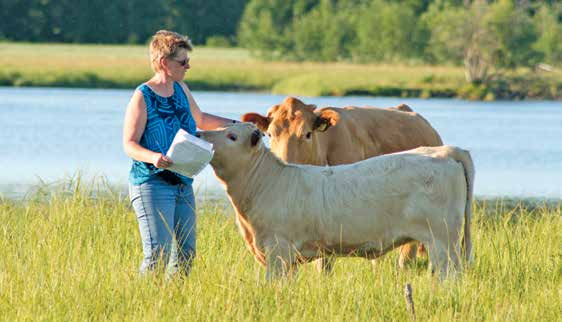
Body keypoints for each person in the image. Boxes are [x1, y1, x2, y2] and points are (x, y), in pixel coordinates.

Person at [122, 30, 237, 277]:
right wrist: (153, 157)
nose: (188, 66)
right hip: (152, 184)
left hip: (183, 182)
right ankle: (141, 305)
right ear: (164, 63)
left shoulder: (181, 88)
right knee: (157, 255)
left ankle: (172, 303)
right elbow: (129, 144)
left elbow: (202, 119)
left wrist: (240, 126)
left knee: (186, 254)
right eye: (182, 62)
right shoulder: (143, 96)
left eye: (188, 61)